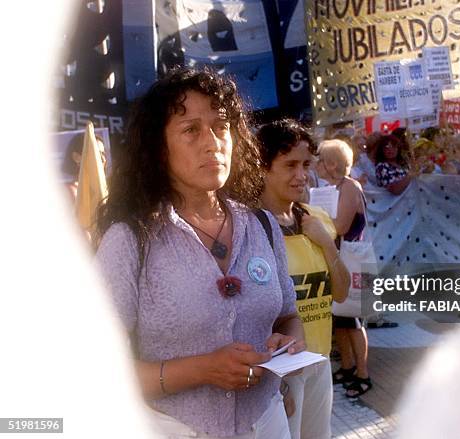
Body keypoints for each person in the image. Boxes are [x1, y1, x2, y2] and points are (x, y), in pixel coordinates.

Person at [95, 68, 305, 439]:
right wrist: (202, 369)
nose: (213, 143)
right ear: (159, 149)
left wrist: (288, 343)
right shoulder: (129, 241)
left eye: (221, 126)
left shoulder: (262, 225)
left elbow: (287, 316)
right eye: (191, 130)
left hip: (267, 422)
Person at [256, 120, 350, 439]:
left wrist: (326, 243)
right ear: (263, 168)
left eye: (306, 164)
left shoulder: (317, 220)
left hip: (319, 360)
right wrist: (274, 376)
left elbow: (341, 293)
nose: (301, 175)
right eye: (289, 165)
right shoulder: (247, 227)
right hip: (280, 370)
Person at [316, 138, 373, 399]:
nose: (316, 165)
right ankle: (347, 366)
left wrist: (316, 221)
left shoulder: (349, 187)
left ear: (332, 164)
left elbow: (340, 227)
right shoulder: (332, 187)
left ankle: (363, 373)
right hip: (340, 259)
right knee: (339, 317)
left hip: (352, 260)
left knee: (353, 318)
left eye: (321, 159)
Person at [62, 131, 107, 202]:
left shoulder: (107, 190)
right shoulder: (67, 193)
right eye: (96, 154)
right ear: (76, 157)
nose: (103, 159)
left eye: (103, 153)